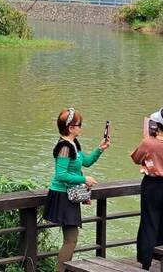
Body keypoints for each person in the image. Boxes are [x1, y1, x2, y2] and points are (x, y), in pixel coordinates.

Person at [43, 108, 111, 272]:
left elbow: (85, 162)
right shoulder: (64, 147)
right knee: (71, 240)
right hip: (62, 195)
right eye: (79, 125)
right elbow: (60, 175)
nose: (81, 127)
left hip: (69, 195)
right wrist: (84, 179)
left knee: (71, 239)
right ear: (70, 127)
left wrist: (100, 149)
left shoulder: (73, 144)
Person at [130, 107, 163, 270]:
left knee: (149, 223)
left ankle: (146, 261)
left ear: (157, 125)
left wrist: (147, 140)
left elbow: (136, 158)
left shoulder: (149, 142)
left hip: (153, 186)